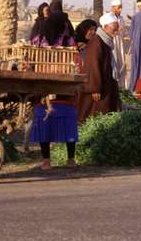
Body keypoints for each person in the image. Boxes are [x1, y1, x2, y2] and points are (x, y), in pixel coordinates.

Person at [29, 10, 80, 171]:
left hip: (43, 91)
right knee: (68, 124)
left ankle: (46, 161)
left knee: (45, 123)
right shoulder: (69, 41)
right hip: (63, 91)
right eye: (64, 22)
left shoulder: (37, 41)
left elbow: (31, 61)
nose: (66, 25)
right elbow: (75, 61)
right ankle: (70, 159)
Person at [77, 13, 121, 122]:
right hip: (97, 90)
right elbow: (92, 66)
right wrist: (94, 88)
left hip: (104, 86)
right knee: (94, 115)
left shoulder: (104, 42)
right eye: (114, 28)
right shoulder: (97, 43)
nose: (116, 31)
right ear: (105, 27)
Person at [110, 0, 127, 88]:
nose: (120, 10)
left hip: (120, 44)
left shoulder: (121, 18)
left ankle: (121, 86)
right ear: (113, 8)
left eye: (121, 7)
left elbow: (123, 32)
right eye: (118, 7)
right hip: (112, 43)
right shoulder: (108, 17)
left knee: (121, 63)